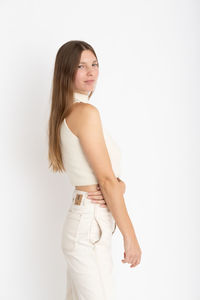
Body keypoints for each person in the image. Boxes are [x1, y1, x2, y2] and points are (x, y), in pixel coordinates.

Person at [48, 40, 142, 300]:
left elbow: (109, 179)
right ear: (66, 72)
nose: (91, 72)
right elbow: (105, 180)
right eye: (81, 66)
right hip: (88, 224)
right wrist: (130, 237)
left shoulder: (68, 112)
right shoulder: (84, 112)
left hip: (90, 222)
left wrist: (119, 184)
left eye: (94, 64)